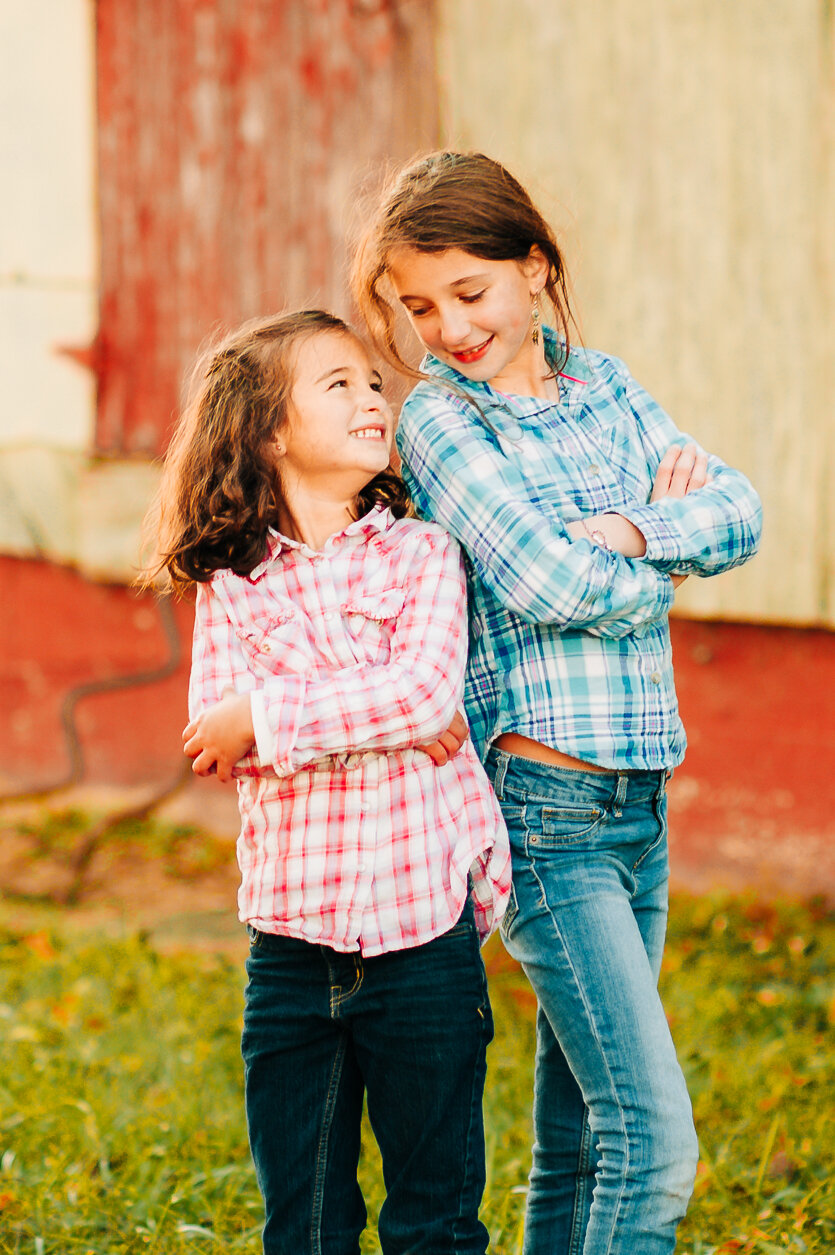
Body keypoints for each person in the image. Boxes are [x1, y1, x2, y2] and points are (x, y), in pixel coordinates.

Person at [351, 150, 763, 1255]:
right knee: (653, 1140)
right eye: (420, 306)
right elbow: (542, 582)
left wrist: (634, 532)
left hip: (640, 806)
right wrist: (667, 565)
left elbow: (739, 509)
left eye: (468, 292)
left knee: (579, 1134)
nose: (446, 326)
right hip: (545, 814)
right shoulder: (443, 423)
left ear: (534, 269)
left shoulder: (610, 386)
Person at [144, 308, 511, 1255]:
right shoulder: (229, 583)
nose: (372, 396)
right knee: (303, 1221)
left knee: (434, 1216)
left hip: (422, 943)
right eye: (337, 383)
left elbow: (424, 692)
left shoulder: (425, 556)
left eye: (373, 382)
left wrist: (274, 710)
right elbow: (214, 740)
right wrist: (379, 715)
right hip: (291, 952)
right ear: (269, 430)